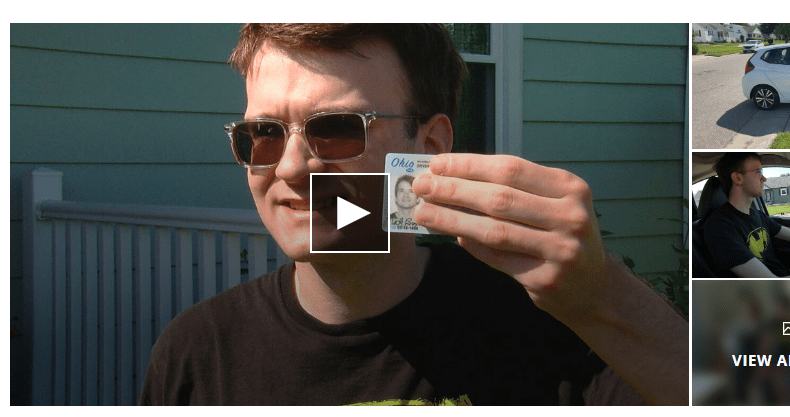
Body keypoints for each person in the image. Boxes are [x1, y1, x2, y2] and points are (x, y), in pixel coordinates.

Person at [140, 24, 687, 406]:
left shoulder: (541, 329)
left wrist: (607, 299)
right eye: (262, 133)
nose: (289, 168)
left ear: (428, 146)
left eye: (336, 128)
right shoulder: (197, 350)